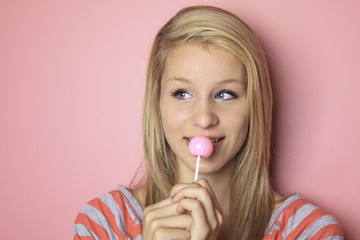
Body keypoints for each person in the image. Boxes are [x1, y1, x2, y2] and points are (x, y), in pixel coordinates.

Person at [74, 5, 344, 240]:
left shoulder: (308, 231)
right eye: (183, 93)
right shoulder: (105, 225)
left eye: (226, 94)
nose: (204, 118)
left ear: (254, 106)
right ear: (157, 103)